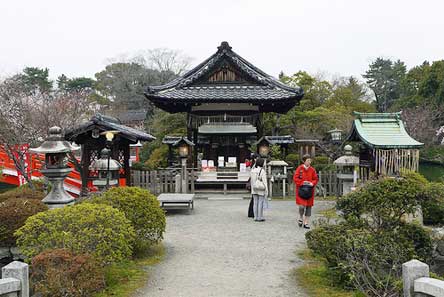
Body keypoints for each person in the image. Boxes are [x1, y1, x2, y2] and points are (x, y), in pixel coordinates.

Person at [293, 154, 318, 229]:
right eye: (308, 160)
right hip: (301, 190)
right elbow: (295, 178)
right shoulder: (299, 168)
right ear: (304, 161)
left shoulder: (312, 170)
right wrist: (302, 182)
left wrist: (312, 183)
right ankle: (301, 217)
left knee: (309, 207)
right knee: (301, 206)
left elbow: (315, 179)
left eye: (310, 160)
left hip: (310, 190)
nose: (309, 162)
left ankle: (306, 222)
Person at [250, 157, 268, 222]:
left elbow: (252, 181)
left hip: (254, 188)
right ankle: (260, 217)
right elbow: (264, 182)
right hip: (261, 188)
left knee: (255, 203)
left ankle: (255, 217)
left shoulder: (252, 170)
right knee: (260, 202)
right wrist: (266, 190)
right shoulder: (262, 171)